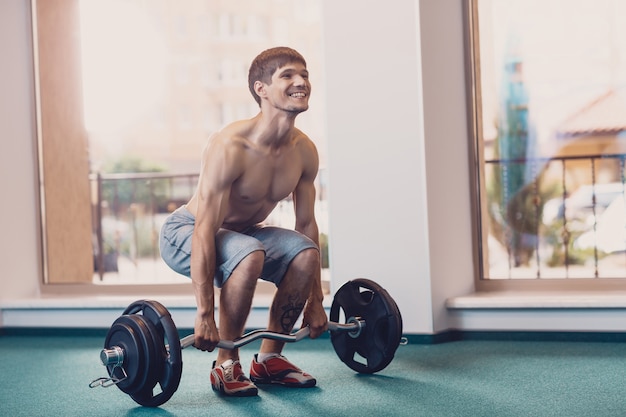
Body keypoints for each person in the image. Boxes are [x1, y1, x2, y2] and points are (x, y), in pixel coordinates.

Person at [159, 46, 328, 397]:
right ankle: (226, 362)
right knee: (249, 251)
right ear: (260, 89)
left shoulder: (304, 151)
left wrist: (317, 301)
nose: (301, 82)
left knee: (306, 253)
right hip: (187, 230)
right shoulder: (230, 145)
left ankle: (268, 361)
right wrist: (205, 314)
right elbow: (205, 227)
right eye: (288, 76)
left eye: (305, 75)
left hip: (243, 234)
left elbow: (307, 225)